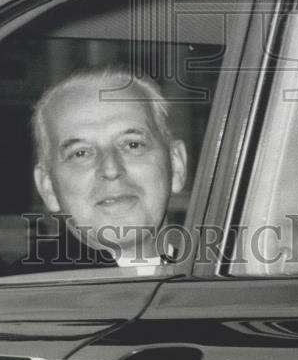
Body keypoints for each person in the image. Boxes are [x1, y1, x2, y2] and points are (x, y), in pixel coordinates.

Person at [30, 67, 187, 270]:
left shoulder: (229, 280)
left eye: (132, 145)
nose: (111, 169)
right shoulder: (12, 295)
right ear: (48, 187)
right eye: (81, 153)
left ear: (176, 165)